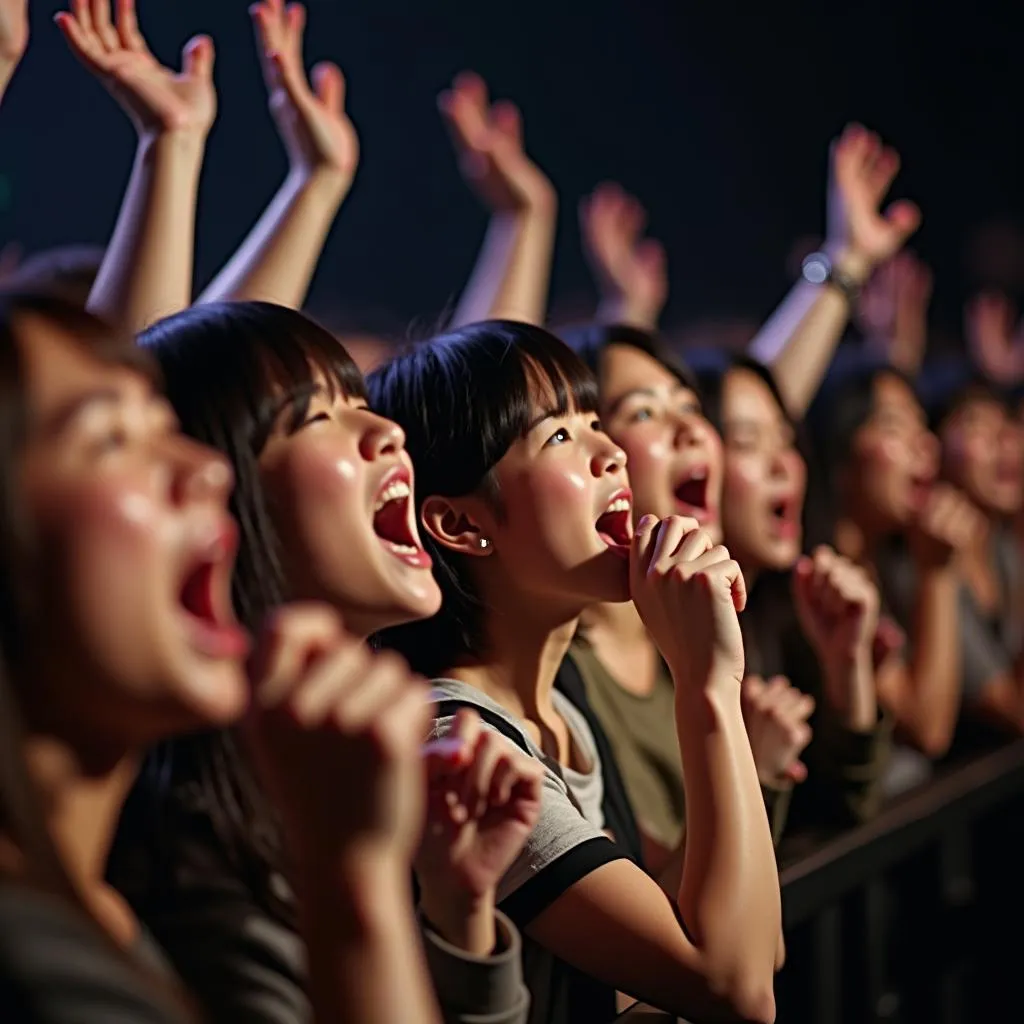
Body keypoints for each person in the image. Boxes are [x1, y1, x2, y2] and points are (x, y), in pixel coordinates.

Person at [371, 320, 781, 1024]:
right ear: (461, 526)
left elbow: (750, 945)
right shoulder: (461, 742)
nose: (611, 452)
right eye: (559, 435)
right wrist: (708, 685)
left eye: (595, 421)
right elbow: (736, 987)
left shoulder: (562, 712)